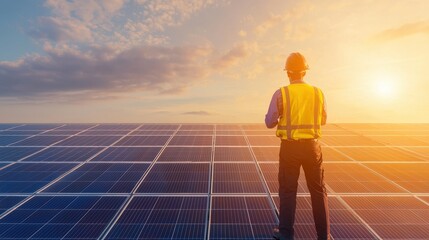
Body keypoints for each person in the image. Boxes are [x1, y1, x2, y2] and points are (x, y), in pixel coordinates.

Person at [265, 52, 330, 240]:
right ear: (305, 72)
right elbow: (323, 120)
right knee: (318, 191)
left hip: (290, 148)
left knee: (288, 190)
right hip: (313, 147)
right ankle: (324, 236)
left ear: (288, 73)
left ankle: (286, 233)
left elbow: (270, 122)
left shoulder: (282, 93)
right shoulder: (318, 93)